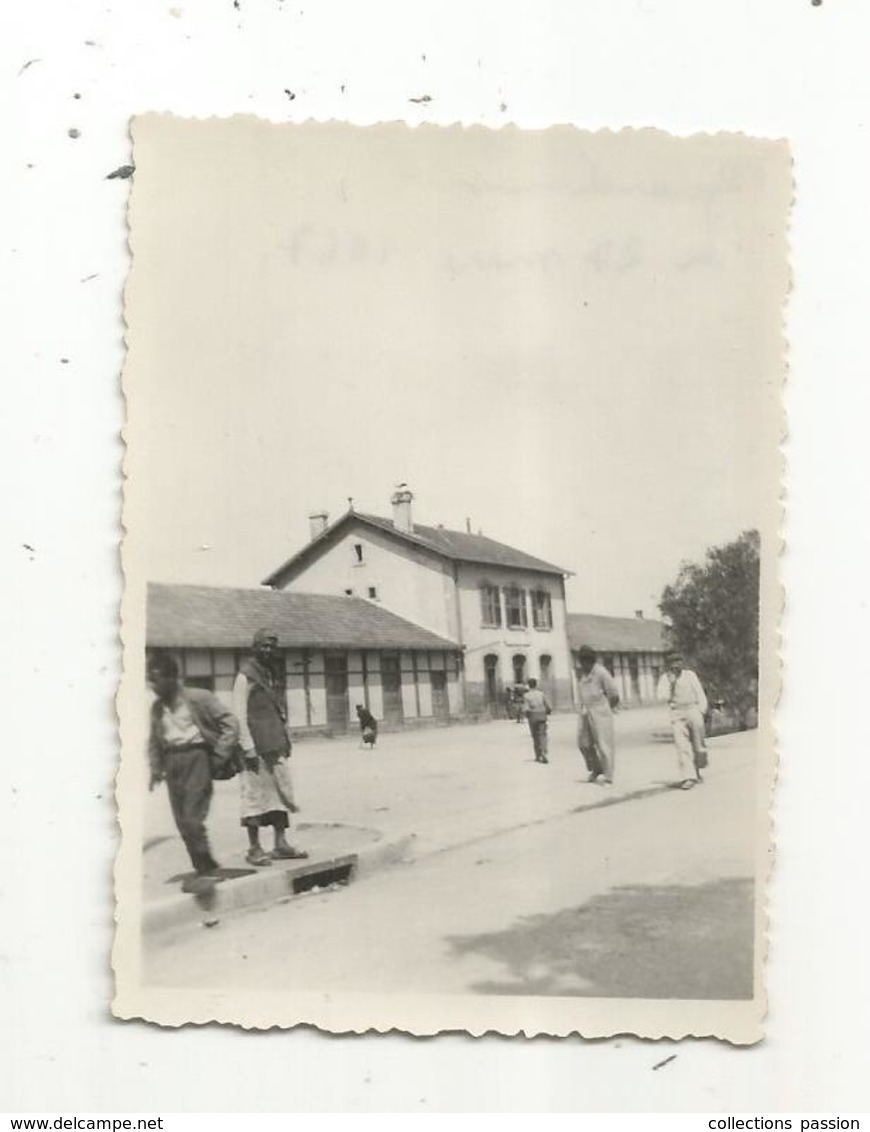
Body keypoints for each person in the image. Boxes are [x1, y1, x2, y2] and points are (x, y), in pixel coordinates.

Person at [147, 650, 240, 887]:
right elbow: (155, 740)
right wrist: (155, 769)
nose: (152, 686)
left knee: (192, 817)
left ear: (171, 677)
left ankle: (204, 867)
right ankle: (202, 864)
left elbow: (230, 723)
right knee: (181, 821)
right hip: (172, 762)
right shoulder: (157, 708)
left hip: (196, 758)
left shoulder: (199, 698)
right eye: (150, 680)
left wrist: (220, 755)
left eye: (156, 679)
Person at [233, 629, 308, 866]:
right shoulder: (244, 676)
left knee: (280, 793)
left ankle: (281, 843)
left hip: (274, 743)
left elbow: (277, 710)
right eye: (264, 646)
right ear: (254, 647)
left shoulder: (270, 673)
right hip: (254, 747)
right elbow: (239, 714)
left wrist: (284, 739)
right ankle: (254, 848)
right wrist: (247, 747)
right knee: (254, 797)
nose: (268, 650)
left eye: (271, 646)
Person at [656, 651, 709, 790]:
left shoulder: (690, 675)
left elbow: (700, 693)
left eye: (678, 661)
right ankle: (688, 777)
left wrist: (701, 710)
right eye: (672, 662)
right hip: (677, 713)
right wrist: (671, 685)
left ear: (681, 662)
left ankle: (697, 770)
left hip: (693, 710)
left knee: (698, 745)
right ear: (668, 664)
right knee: (682, 746)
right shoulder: (665, 679)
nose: (675, 665)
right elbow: (662, 697)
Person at [575, 645, 620, 785]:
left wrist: (606, 709)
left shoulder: (601, 672)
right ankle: (596, 768)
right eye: (581, 662)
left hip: (601, 711)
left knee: (604, 744)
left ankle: (608, 776)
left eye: (586, 662)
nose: (583, 665)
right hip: (585, 711)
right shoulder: (582, 674)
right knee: (584, 744)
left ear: (591, 661)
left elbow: (614, 694)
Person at [522, 678, 553, 763]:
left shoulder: (526, 695)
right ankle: (544, 752)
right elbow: (549, 706)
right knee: (543, 734)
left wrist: (526, 714)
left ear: (529, 685)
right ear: (536, 685)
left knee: (535, 735)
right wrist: (548, 711)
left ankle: (538, 755)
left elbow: (526, 708)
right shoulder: (541, 694)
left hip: (533, 716)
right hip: (542, 715)